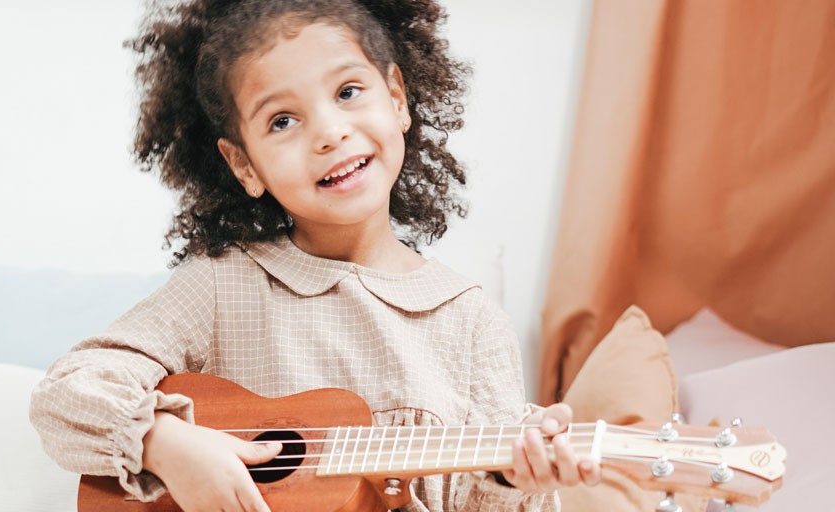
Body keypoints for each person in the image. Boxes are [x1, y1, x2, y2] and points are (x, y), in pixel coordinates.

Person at [30, 0, 601, 510]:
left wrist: (514, 481)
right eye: (283, 120)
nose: (329, 133)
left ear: (397, 98)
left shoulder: (473, 324)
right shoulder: (221, 287)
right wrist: (166, 442)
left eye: (348, 92)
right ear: (245, 165)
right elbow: (66, 394)